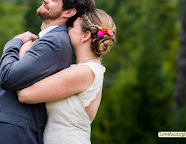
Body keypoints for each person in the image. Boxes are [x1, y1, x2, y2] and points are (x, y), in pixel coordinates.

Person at [0, 0, 95, 144]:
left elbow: (7, 77)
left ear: (68, 12)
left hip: (14, 134)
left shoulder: (55, 42)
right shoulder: (50, 40)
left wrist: (14, 42)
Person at [17, 9, 116, 144]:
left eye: (72, 27)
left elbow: (25, 94)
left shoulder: (83, 73)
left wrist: (22, 52)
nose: (67, 31)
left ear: (85, 36)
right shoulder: (90, 70)